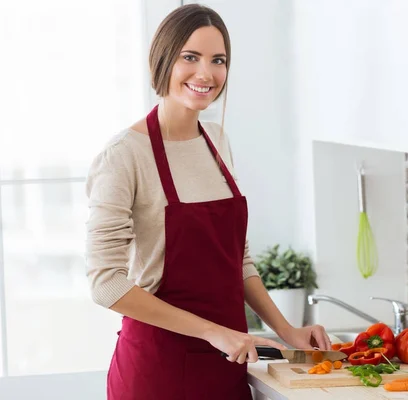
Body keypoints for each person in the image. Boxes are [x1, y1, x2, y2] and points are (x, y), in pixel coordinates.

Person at [84, 4, 331, 399]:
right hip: (157, 371)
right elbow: (105, 284)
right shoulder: (124, 155)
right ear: (162, 59)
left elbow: (238, 261)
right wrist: (213, 332)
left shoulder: (216, 140)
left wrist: (287, 330)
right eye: (190, 57)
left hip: (227, 366)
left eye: (218, 60)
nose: (206, 73)